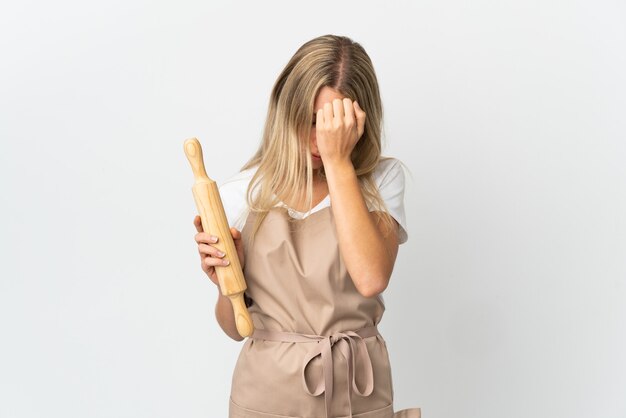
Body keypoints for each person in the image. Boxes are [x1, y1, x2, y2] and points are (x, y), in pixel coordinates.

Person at [193, 34, 421, 418]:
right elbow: (237, 328)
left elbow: (370, 278)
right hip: (265, 394)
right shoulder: (242, 193)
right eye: (310, 121)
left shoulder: (383, 180)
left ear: (360, 120)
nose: (319, 139)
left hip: (356, 392)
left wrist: (338, 162)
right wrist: (223, 285)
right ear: (286, 110)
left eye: (334, 124)